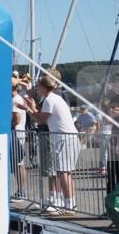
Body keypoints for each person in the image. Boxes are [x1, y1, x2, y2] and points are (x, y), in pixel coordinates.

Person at [22, 74, 79, 216]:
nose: (36, 89)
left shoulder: (49, 99)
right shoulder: (55, 98)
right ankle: (70, 203)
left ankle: (69, 205)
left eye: (38, 86)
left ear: (43, 87)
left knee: (63, 172)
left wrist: (29, 108)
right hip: (66, 137)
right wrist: (32, 108)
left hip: (63, 138)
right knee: (65, 172)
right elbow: (42, 118)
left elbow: (41, 120)